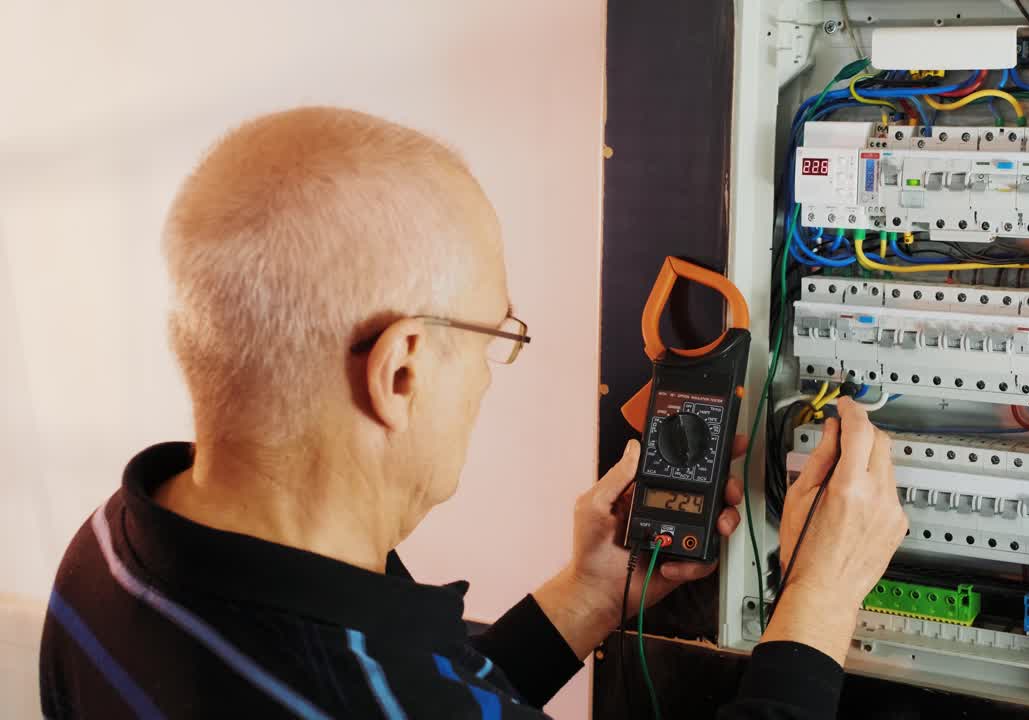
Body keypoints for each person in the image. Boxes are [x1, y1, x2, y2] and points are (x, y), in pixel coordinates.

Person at [39, 107, 907, 719]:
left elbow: (428, 691)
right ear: (402, 370)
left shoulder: (110, 553)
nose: (494, 375)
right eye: (495, 334)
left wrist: (585, 599)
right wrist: (820, 601)